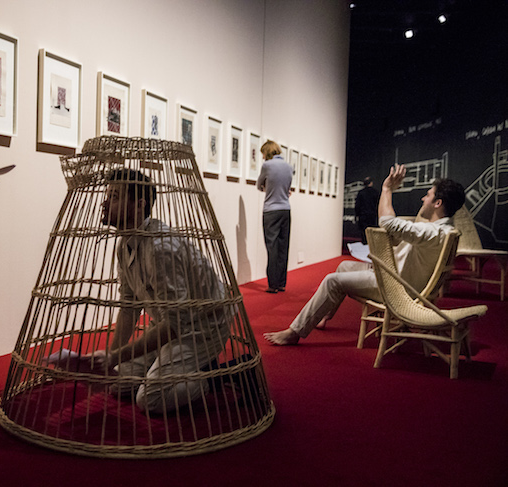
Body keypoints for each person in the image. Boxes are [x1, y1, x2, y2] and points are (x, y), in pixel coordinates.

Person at [264, 164, 465, 345]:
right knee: (343, 267)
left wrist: (387, 190)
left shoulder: (431, 232)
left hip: (399, 288)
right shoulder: (442, 229)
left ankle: (294, 332)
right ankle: (322, 315)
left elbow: (387, 222)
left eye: (428, 195)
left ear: (438, 203)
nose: (423, 198)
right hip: (402, 280)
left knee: (332, 280)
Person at [86, 168, 231, 413]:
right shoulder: (125, 245)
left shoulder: (160, 248)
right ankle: (167, 366)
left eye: (115, 196)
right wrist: (112, 359)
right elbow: (129, 306)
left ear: (139, 204)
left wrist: (117, 356)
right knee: (118, 383)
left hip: (203, 325)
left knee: (150, 399)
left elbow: (176, 323)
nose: (105, 203)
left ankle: (210, 377)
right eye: (107, 195)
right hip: (167, 322)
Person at [256, 140, 292, 293]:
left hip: (271, 210)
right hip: (286, 209)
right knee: (284, 247)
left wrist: (267, 188)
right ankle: (282, 283)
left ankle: (272, 284)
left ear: (267, 152)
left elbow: (259, 185)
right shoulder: (289, 167)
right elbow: (288, 189)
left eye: (263, 154)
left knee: (272, 247)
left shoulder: (267, 166)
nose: (263, 157)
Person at [355, 176, 379, 244]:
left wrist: (357, 215)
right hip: (372, 216)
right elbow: (378, 205)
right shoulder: (376, 192)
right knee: (372, 233)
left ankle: (364, 246)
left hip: (363, 216)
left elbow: (357, 205)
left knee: (364, 233)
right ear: (371, 183)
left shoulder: (361, 193)